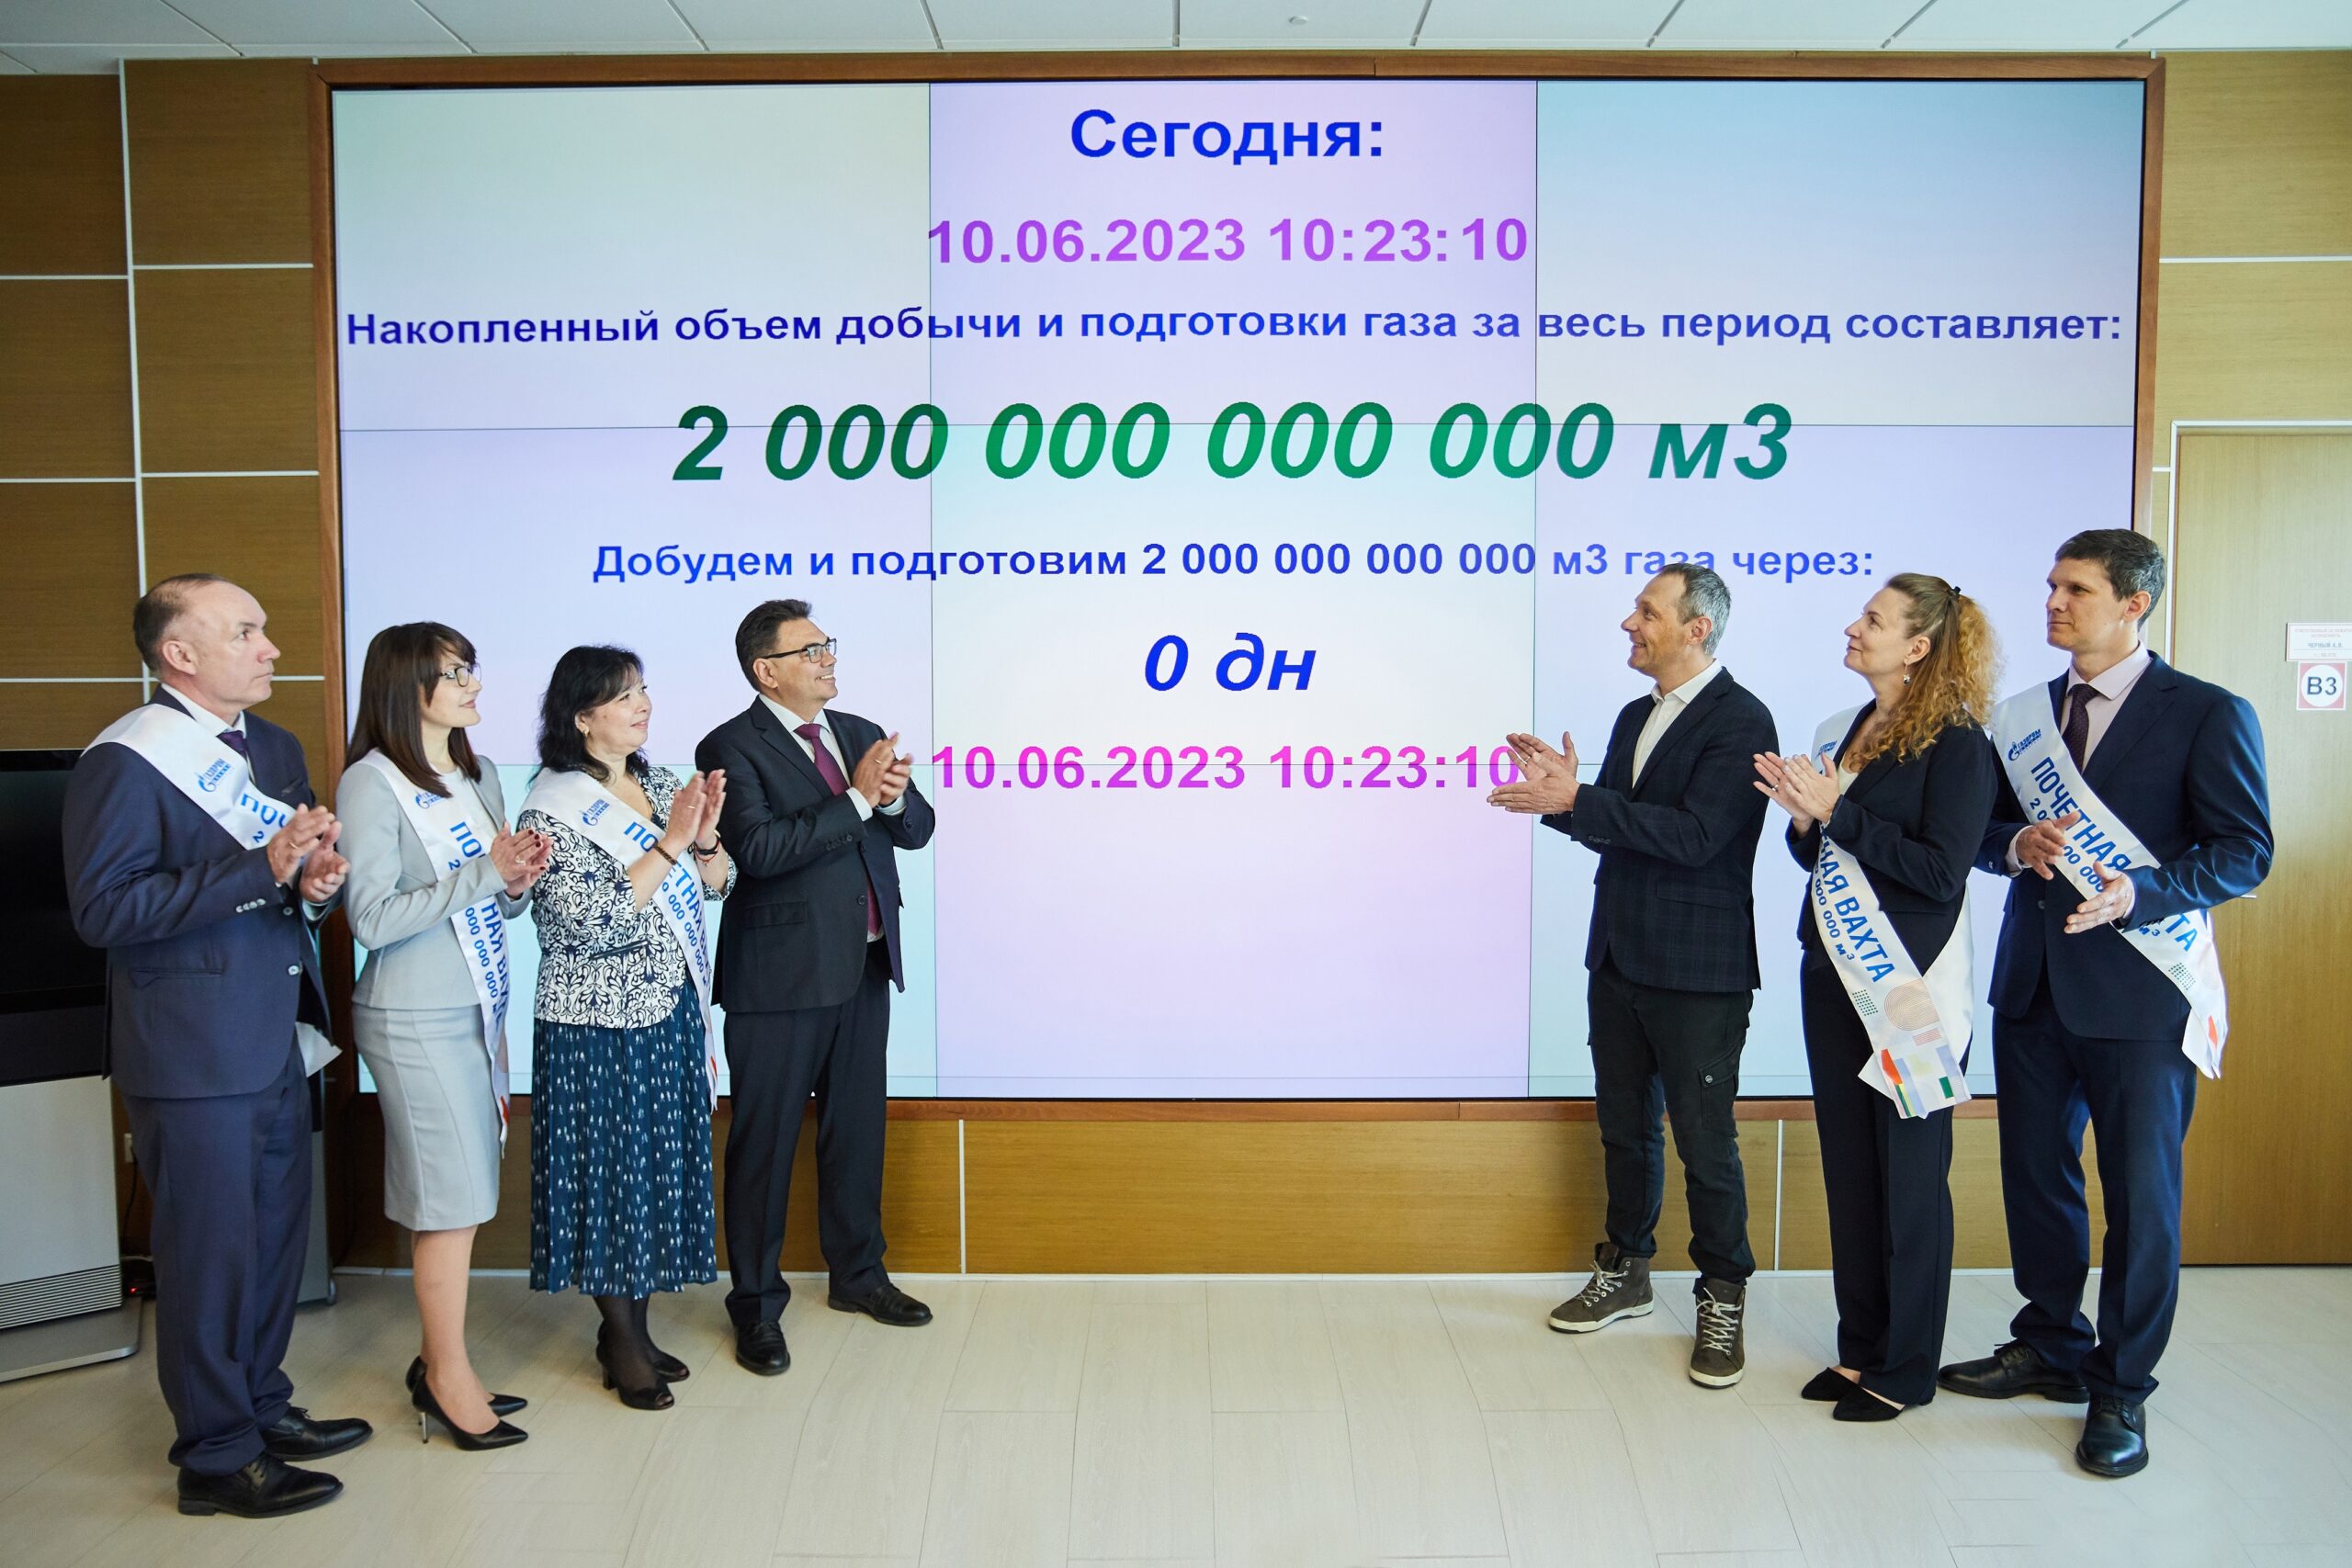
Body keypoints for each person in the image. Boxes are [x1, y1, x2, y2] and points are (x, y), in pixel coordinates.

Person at [1939, 530, 2271, 1478]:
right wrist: (2015, 847)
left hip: (2141, 992)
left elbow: (2243, 851)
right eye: (2051, 585)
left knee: (2140, 1199)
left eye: (2075, 589)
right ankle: (2050, 1342)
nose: (2053, 602)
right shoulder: (2022, 717)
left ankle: (2121, 1385)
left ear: (2133, 603)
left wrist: (2141, 891)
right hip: (2034, 986)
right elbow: (1980, 832)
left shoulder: (2207, 712)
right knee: (2036, 1178)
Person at [61, 574, 369, 1517]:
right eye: (245, 632)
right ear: (179, 653)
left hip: (275, 1035)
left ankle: (260, 1407)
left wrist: (310, 885)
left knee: (272, 1241)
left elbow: (282, 882)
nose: (270, 647)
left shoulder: (272, 747)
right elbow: (104, 909)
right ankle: (215, 1455)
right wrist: (258, 867)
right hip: (190, 1052)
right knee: (208, 1255)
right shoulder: (127, 758)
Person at [1489, 564, 1778, 1388]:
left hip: (1698, 970)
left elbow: (1696, 837)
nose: (1629, 623)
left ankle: (1722, 1295)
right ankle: (1626, 1269)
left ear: (1697, 628)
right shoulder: (1634, 714)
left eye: (1647, 611)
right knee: (1625, 1126)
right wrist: (1561, 801)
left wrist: (1582, 798)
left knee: (1705, 1142)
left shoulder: (1742, 718)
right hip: (1618, 955)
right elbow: (1615, 827)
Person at [1753, 575, 1998, 1421]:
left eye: (1874, 620)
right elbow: (1824, 856)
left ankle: (1907, 1366)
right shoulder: (1848, 726)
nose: (1853, 628)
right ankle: (1860, 1348)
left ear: (1918, 647)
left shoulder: (1959, 744)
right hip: (1832, 975)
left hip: (1909, 989)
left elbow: (1939, 871)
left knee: (1910, 1182)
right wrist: (1803, 820)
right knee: (1852, 1172)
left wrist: (1838, 813)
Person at [695, 599, 936, 1376]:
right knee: (763, 1145)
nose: (828, 657)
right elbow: (760, 850)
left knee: (855, 1130)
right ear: (766, 670)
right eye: (810, 649)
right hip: (779, 977)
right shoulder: (729, 744)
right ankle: (756, 1305)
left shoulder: (860, 732)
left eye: (828, 644)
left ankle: (858, 1274)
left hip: (863, 964)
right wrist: (858, 799)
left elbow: (917, 829)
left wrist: (891, 797)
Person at [341, 622, 550, 1450]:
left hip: (474, 1008)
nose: (473, 683)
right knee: (449, 1201)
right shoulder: (371, 782)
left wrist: (515, 880)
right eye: (455, 672)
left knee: (464, 1192)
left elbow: (498, 900)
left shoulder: (479, 772)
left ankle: (440, 1362)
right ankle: (446, 1378)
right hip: (412, 1015)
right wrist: (482, 874)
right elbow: (370, 919)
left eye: (471, 668)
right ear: (408, 686)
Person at [517, 646, 734, 1410]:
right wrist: (670, 842)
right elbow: (592, 923)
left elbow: (717, 883)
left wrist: (703, 837)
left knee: (652, 1172)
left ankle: (631, 1333)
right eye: (622, 696)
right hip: (596, 1024)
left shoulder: (661, 782)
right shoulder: (550, 807)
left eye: (643, 690)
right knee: (611, 1176)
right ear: (582, 718)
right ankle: (621, 1338)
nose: (642, 704)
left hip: (668, 1010)